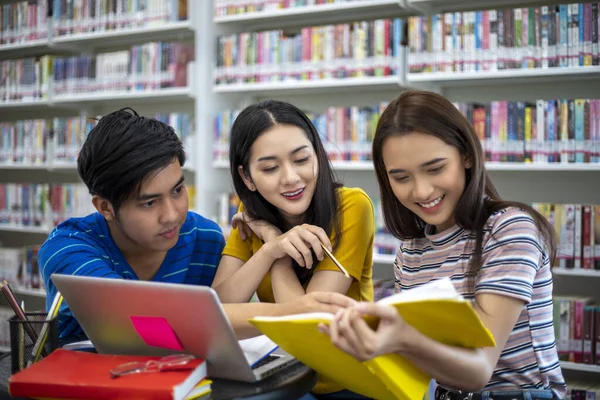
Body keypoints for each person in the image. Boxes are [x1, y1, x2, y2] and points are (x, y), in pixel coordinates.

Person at [320, 90, 567, 399]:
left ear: (465, 155)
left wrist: (402, 339)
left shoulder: (508, 229)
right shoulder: (411, 252)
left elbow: (479, 370)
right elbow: (426, 365)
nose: (422, 191)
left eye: (435, 168)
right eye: (401, 177)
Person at [38, 108, 356, 345]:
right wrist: (291, 312)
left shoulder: (203, 238)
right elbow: (141, 320)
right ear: (105, 207)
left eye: (178, 190)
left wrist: (271, 250)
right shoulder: (68, 247)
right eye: (149, 202)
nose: (172, 214)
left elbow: (216, 323)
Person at [211, 100, 374, 398]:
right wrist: (270, 248)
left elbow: (308, 325)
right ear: (247, 177)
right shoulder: (252, 212)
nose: (291, 178)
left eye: (301, 159)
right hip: (285, 376)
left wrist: (278, 255)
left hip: (349, 382)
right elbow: (216, 313)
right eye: (271, 168)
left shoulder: (351, 206)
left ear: (318, 156)